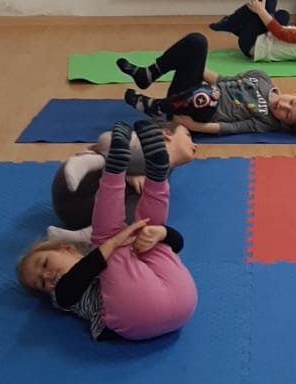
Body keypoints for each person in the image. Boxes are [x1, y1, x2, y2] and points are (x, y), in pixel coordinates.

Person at [17, 119, 198, 341]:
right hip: (140, 315)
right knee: (107, 236)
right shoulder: (62, 293)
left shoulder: (110, 257)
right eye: (41, 284)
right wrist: (112, 243)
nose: (47, 276)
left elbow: (177, 245)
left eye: (44, 264)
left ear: (67, 248)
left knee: (148, 232)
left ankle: (152, 172)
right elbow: (70, 288)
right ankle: (135, 174)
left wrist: (161, 234)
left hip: (183, 298)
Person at [116, 31, 296, 136]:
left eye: (287, 115)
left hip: (199, 111)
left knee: (207, 96)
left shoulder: (268, 122)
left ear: (286, 124)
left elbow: (229, 127)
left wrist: (190, 126)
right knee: (197, 42)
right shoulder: (261, 77)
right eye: (291, 102)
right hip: (190, 94)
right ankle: (149, 74)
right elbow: (222, 80)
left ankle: (158, 108)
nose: (282, 106)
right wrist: (191, 63)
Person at [51, 120, 196, 231]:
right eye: (188, 135)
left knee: (145, 207)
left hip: (82, 216)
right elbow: (107, 140)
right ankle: (87, 162)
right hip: (72, 187)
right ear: (167, 133)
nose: (195, 145)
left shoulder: (163, 175)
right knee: (125, 152)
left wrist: (128, 178)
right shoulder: (143, 143)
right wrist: (126, 174)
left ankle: (88, 234)